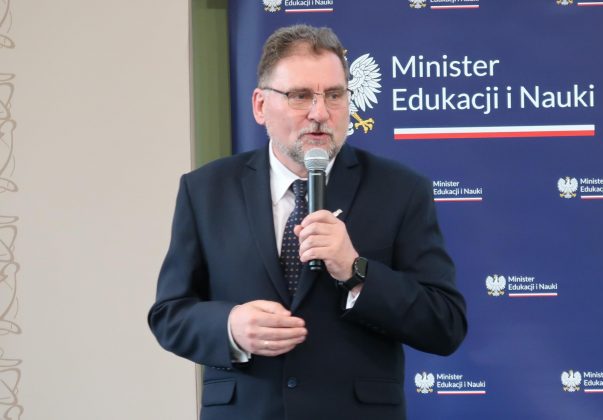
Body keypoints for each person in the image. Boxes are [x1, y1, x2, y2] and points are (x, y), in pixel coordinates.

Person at [148, 24, 467, 420]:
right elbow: (170, 314)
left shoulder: (401, 190)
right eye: (300, 96)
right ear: (260, 106)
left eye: (334, 95)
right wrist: (230, 326)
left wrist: (356, 271)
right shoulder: (206, 190)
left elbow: (445, 324)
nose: (320, 113)